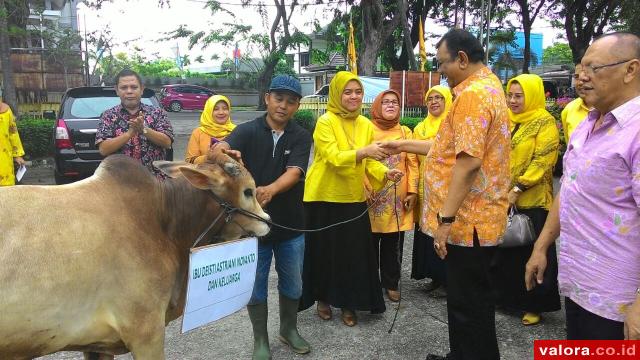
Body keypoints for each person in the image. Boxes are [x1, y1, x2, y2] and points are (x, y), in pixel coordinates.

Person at [383, 29, 510, 360]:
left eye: (442, 65)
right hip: (480, 221)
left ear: (463, 59)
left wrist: (445, 220)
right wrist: (401, 144)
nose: (441, 73)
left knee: (469, 306)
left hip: (469, 224)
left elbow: (467, 163)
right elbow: (446, 148)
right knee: (470, 303)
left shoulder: (472, 96)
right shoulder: (490, 86)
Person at [526, 32, 640, 340]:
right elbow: (570, 190)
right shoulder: (587, 124)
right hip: (578, 286)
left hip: (619, 301)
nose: (582, 78)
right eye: (580, 70)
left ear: (630, 70)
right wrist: (541, 246)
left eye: (593, 68)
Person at [300, 71, 403, 327]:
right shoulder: (325, 121)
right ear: (337, 94)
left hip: (352, 198)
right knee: (323, 253)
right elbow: (333, 157)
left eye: (358, 92)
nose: (354, 96)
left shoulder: (365, 124)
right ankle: (322, 298)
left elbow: (368, 161)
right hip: (323, 197)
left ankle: (348, 303)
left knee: (352, 255)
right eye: (348, 91)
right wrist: (364, 152)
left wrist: (385, 172)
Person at [219, 75, 311, 360]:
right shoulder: (246, 131)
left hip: (291, 225)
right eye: (279, 98)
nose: (283, 106)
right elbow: (218, 148)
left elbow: (295, 172)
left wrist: (270, 189)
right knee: (255, 286)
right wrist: (225, 152)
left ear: (296, 106)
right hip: (251, 228)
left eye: (291, 101)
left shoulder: (301, 135)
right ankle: (261, 340)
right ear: (267, 98)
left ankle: (289, 329)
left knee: (293, 283)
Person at [491, 74, 561, 326]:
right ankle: (508, 299)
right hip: (503, 198)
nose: (512, 100)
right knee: (508, 252)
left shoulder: (544, 122)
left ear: (531, 95)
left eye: (518, 96)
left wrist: (518, 188)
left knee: (533, 252)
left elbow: (543, 160)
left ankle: (535, 305)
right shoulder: (506, 120)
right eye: (510, 95)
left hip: (533, 200)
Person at [366, 89, 419, 303]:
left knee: (393, 245)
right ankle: (369, 283)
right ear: (378, 105)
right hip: (372, 199)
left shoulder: (405, 132)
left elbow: (413, 163)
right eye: (386, 102)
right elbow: (359, 162)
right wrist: (364, 185)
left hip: (398, 200)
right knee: (369, 245)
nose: (390, 105)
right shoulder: (366, 130)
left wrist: (413, 191)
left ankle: (391, 282)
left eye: (394, 102)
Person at [410, 85, 452, 295]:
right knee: (427, 232)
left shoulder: (452, 125)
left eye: (439, 98)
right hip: (425, 189)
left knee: (445, 230)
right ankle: (434, 277)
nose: (434, 102)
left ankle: (447, 280)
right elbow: (414, 160)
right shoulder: (420, 128)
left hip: (446, 189)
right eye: (430, 98)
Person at [96, 69, 174, 177]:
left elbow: (167, 142)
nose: (129, 91)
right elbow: (103, 149)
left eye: (134, 87)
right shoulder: (108, 116)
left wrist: (143, 130)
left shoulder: (157, 113)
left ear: (142, 89)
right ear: (117, 90)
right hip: (120, 181)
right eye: (124, 87)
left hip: (155, 182)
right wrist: (129, 134)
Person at [185, 95, 235, 164]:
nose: (221, 112)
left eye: (225, 108)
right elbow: (189, 161)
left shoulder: (236, 131)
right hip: (204, 173)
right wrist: (207, 158)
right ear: (208, 111)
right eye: (215, 109)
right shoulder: (198, 133)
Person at [560, 64, 593, 144]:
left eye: (587, 75)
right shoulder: (569, 109)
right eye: (576, 77)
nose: (580, 82)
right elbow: (570, 148)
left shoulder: (613, 109)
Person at [0, 101, 25, 186]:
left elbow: (13, 133)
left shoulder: (6, 111)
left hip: (4, 158)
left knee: (6, 191)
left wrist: (17, 155)